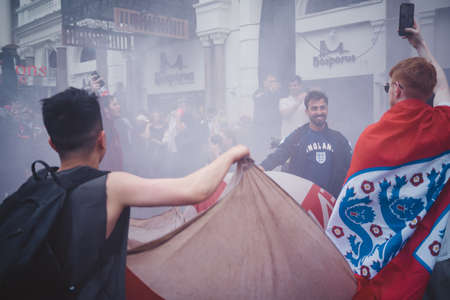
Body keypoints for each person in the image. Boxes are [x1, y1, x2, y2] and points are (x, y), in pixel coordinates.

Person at [29, 87, 249, 299]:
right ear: (102, 140)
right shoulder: (111, 186)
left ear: (52, 144)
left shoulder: (36, 184)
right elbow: (196, 190)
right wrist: (231, 154)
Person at [326, 21, 450, 300]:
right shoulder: (445, 126)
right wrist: (421, 45)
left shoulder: (372, 137)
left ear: (396, 88)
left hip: (384, 267)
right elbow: (443, 86)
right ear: (429, 92)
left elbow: (352, 204)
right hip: (431, 255)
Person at [260, 90, 352, 198]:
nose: (319, 112)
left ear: (327, 109)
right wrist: (260, 168)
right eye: (314, 108)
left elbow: (353, 166)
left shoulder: (339, 139)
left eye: (322, 107)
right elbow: (278, 155)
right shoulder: (297, 136)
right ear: (307, 112)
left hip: (332, 201)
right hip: (304, 201)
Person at [252, 74, 283, 160]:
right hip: (260, 129)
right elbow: (261, 100)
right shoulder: (258, 92)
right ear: (264, 82)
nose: (272, 84)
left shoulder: (277, 93)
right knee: (260, 152)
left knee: (273, 151)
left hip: (273, 128)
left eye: (274, 82)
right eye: (270, 82)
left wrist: (274, 91)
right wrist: (271, 90)